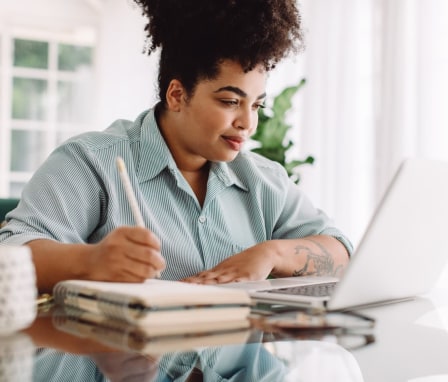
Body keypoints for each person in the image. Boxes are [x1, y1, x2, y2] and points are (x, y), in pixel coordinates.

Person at [0, 0, 352, 293]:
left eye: (257, 105)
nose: (248, 122)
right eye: (231, 101)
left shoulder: (264, 180)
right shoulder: (91, 162)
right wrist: (91, 261)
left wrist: (271, 254)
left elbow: (340, 252)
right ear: (177, 94)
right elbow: (9, 256)